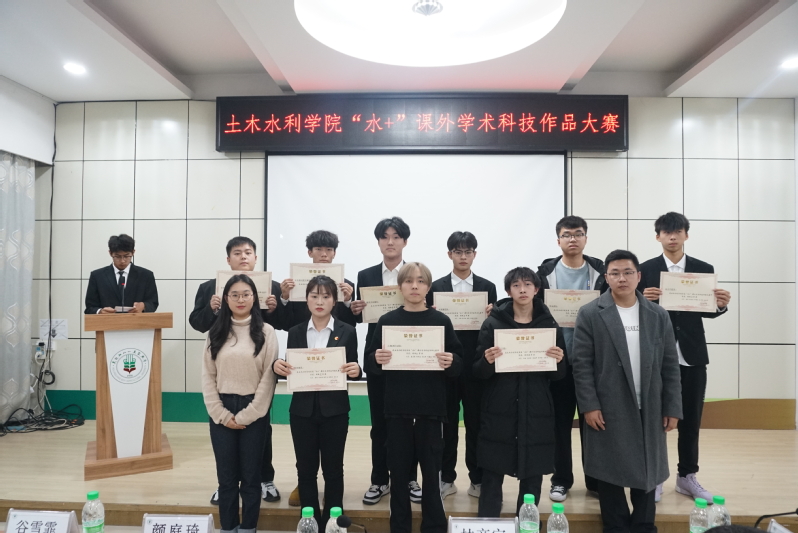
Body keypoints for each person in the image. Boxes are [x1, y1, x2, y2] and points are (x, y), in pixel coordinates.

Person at [572, 250, 682, 533]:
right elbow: (581, 365)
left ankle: (644, 525)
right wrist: (589, 405)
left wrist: (672, 407)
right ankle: (616, 526)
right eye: (615, 273)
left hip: (650, 404)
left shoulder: (658, 314)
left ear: (639, 276)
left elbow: (670, 365)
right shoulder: (590, 313)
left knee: (647, 469)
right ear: (606, 278)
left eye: (628, 272)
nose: (622, 278)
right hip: (608, 405)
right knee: (609, 469)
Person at [638, 212, 731, 502]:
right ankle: (655, 477)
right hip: (655, 356)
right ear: (658, 237)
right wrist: (642, 299)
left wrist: (719, 305)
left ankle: (687, 476)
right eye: (666, 232)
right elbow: (630, 309)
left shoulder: (703, 269)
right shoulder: (645, 270)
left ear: (686, 235)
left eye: (678, 231)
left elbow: (706, 310)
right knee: (655, 420)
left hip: (692, 355)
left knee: (690, 420)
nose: (672, 236)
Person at [366, 262, 463, 533]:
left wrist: (452, 361)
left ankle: (434, 526)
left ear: (428, 287)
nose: (414, 286)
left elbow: (459, 362)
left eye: (421, 281)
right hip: (397, 408)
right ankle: (400, 527)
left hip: (431, 409)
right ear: (400, 287)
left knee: (431, 475)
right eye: (409, 281)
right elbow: (370, 362)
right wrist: (376, 358)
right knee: (398, 475)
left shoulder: (441, 321)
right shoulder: (387, 321)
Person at [189, 236, 283, 505]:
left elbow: (284, 323)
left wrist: (276, 309)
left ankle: (264, 478)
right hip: (227, 366)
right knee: (224, 437)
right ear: (228, 259)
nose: (243, 257)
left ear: (255, 258)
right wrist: (211, 310)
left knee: (261, 427)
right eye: (237, 253)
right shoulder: (210, 288)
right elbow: (197, 322)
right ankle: (226, 484)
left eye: (248, 252)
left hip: (257, 368)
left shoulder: (271, 287)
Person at [474, 267, 566, 516]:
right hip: (499, 406)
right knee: (492, 472)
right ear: (508, 291)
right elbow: (478, 372)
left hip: (537, 407)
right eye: (516, 285)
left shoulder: (549, 325)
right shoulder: (493, 323)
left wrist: (559, 360)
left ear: (537, 289)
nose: (522, 289)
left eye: (527, 284)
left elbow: (559, 375)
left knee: (532, 474)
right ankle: (488, 524)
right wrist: (487, 361)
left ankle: (527, 524)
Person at [273, 275, 361, 528]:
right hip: (302, 411)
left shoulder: (348, 331)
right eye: (314, 296)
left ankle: (334, 523)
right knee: (305, 469)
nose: (320, 301)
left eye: (326, 296)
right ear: (306, 300)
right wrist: (278, 366)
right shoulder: (295, 332)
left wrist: (357, 370)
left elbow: (353, 367)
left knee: (333, 470)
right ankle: (309, 521)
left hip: (335, 410)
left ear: (335, 301)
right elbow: (292, 368)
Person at [350, 216, 421, 505]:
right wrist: (355, 310)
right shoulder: (365, 275)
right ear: (379, 241)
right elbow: (362, 318)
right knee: (379, 424)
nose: (390, 242)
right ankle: (379, 480)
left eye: (396, 237)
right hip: (377, 354)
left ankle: (410, 479)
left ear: (405, 241)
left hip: (410, 355)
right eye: (385, 237)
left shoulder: (416, 273)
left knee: (409, 423)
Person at [535, 216, 606, 501]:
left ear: (586, 238)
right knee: (559, 425)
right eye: (567, 235)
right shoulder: (545, 273)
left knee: (595, 423)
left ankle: (596, 480)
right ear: (558, 240)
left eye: (578, 234)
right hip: (558, 362)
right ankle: (561, 479)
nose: (573, 239)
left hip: (593, 362)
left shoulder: (601, 272)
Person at [202, 274, 279, 533]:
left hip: (254, 411)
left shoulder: (267, 332)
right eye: (234, 295)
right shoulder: (215, 332)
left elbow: (268, 378)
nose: (240, 299)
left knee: (250, 477)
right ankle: (228, 527)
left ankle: (248, 528)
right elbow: (208, 377)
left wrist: (248, 415)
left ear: (255, 297)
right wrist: (222, 415)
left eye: (246, 294)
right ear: (226, 299)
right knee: (226, 479)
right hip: (221, 410)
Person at [425, 231, 497, 499]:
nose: (463, 256)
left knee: (477, 424)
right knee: (447, 425)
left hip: (477, 366)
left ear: (475, 255)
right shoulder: (436, 287)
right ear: (450, 254)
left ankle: (477, 479)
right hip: (446, 365)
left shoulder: (487, 286)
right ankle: (446, 478)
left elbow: (493, 327)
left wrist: (493, 315)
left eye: (468, 251)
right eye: (458, 251)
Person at [278, 230, 356, 330]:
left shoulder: (346, 286)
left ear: (334, 253)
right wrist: (285, 298)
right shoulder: (295, 284)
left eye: (329, 249)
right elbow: (286, 324)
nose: (324, 254)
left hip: (335, 338)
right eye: (318, 249)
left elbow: (350, 326)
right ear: (310, 252)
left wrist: (347, 301)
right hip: (302, 336)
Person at [84, 234, 158, 314]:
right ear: (110, 253)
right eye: (117, 256)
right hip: (107, 321)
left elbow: (153, 303)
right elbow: (89, 307)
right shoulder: (97, 276)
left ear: (133, 252)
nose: (122, 261)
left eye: (126, 256)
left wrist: (144, 306)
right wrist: (100, 311)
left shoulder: (146, 276)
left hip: (135, 321)